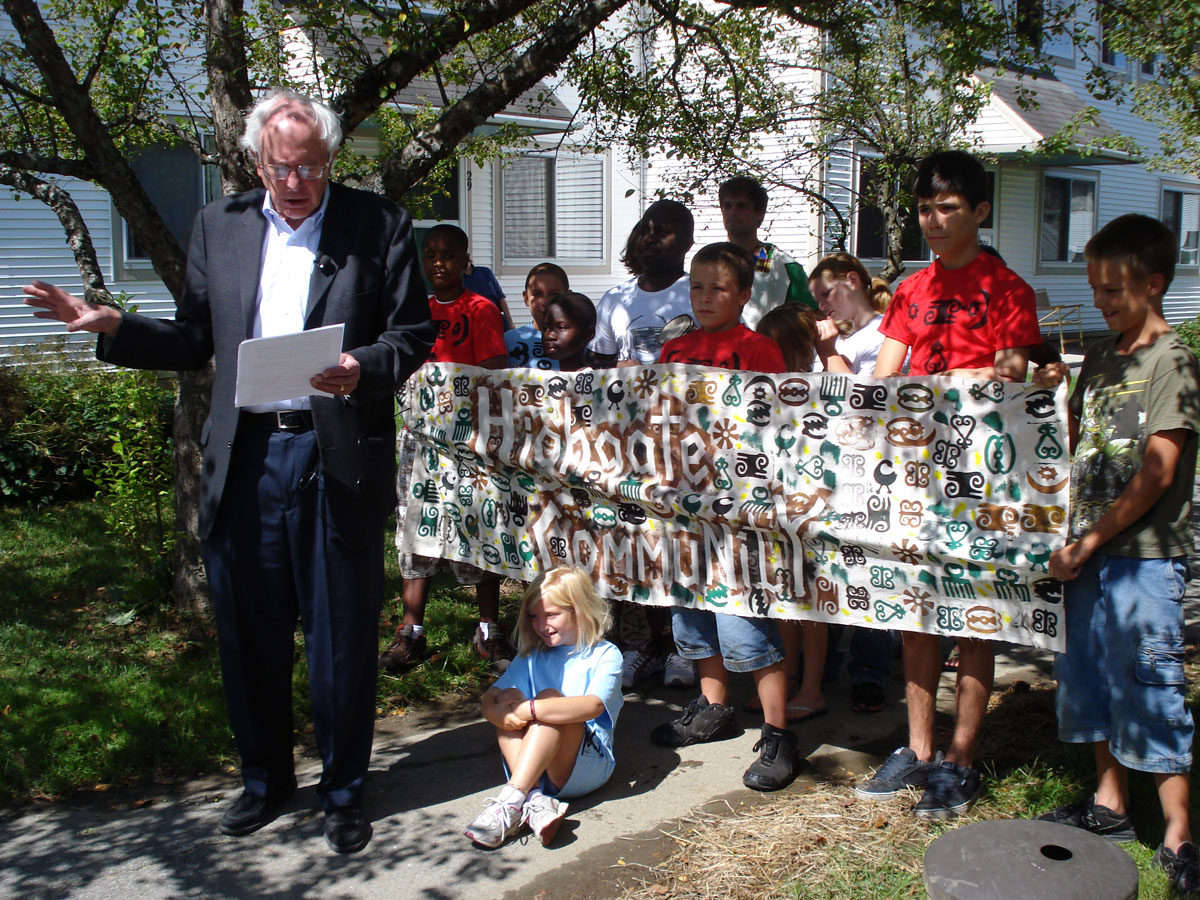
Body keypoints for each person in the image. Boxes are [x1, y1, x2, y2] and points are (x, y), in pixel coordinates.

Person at [23, 89, 434, 854]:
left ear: (332, 160)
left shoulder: (379, 225)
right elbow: (192, 338)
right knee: (250, 634)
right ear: (256, 162)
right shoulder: (222, 225)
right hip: (246, 456)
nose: (299, 182)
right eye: (283, 167)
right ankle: (265, 779)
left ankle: (342, 790)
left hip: (334, 451)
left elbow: (412, 333)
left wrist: (364, 365)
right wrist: (115, 326)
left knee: (340, 636)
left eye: (313, 166)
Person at [856, 149, 1041, 819]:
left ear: (980, 211)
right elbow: (882, 378)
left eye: (948, 208)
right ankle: (919, 748)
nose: (933, 221)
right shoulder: (910, 290)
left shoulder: (1007, 290)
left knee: (974, 622)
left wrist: (939, 389)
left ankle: (961, 759)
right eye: (924, 209)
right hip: (914, 480)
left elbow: (1012, 381)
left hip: (981, 484)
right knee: (914, 617)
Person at [1030, 214, 1200, 897]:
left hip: (1144, 557)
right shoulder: (1102, 355)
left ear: (1153, 283)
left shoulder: (1173, 361)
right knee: (1093, 677)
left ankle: (1182, 836)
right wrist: (1044, 388)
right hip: (1088, 554)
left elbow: (1158, 471)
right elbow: (1072, 440)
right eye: (1095, 288)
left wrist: (1092, 539)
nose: (1101, 301)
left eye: (1113, 290)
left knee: (1149, 685)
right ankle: (1110, 806)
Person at [651, 242, 800, 792]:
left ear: (743, 294)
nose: (705, 297)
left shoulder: (758, 349)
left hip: (739, 511)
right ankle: (714, 707)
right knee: (692, 610)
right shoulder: (675, 351)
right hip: (682, 506)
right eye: (697, 287)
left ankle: (779, 732)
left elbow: (777, 424)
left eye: (718, 288)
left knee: (746, 618)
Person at [381, 224, 514, 674]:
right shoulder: (410, 310)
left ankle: (488, 629)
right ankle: (410, 631)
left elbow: (494, 369)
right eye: (431, 254)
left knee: (476, 522)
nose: (439, 262)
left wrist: (450, 388)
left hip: (465, 436)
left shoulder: (480, 308)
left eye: (448, 255)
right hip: (419, 438)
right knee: (415, 524)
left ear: (464, 259)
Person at [591, 199, 696, 689]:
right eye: (648, 228)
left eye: (667, 231)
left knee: (680, 546)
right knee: (636, 546)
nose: (653, 237)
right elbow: (595, 373)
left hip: (686, 445)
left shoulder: (696, 295)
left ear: (687, 243)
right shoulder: (614, 299)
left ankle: (683, 647)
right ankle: (644, 645)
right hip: (630, 447)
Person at [465, 566, 623, 849]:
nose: (541, 624)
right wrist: (498, 713)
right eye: (534, 617)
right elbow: (491, 697)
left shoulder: (604, 654)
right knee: (508, 699)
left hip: (586, 766)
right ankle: (535, 800)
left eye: (551, 615)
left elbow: (594, 705)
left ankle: (512, 799)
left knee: (546, 700)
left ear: (579, 610)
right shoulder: (533, 657)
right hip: (537, 769)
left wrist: (531, 711)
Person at [808, 253, 897, 716]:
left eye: (827, 294)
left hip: (877, 467)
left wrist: (827, 354)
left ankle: (871, 671)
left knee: (871, 566)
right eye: (816, 299)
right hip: (842, 468)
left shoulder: (883, 334)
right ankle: (840, 663)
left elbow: (864, 401)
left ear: (853, 281)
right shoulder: (846, 337)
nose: (822, 306)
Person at [590, 199, 695, 368]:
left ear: (687, 242)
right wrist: (618, 366)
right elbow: (596, 360)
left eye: (661, 231)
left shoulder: (701, 296)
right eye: (644, 230)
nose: (649, 238)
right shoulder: (614, 298)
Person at [717, 175, 816, 329]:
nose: (733, 212)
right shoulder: (711, 262)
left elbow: (809, 321)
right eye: (727, 206)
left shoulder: (783, 266)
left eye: (741, 206)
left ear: (760, 213)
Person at [506, 263, 570, 370]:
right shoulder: (508, 341)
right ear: (526, 298)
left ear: (568, 297)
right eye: (537, 294)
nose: (545, 302)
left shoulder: (581, 341)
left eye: (554, 294)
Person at [539, 291, 596, 372]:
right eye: (545, 328)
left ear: (588, 334)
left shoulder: (599, 381)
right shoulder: (538, 379)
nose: (549, 335)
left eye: (561, 327)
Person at [462, 254, 514, 330]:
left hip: (498, 321)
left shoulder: (486, 272)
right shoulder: (456, 281)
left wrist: (510, 323)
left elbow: (501, 298)